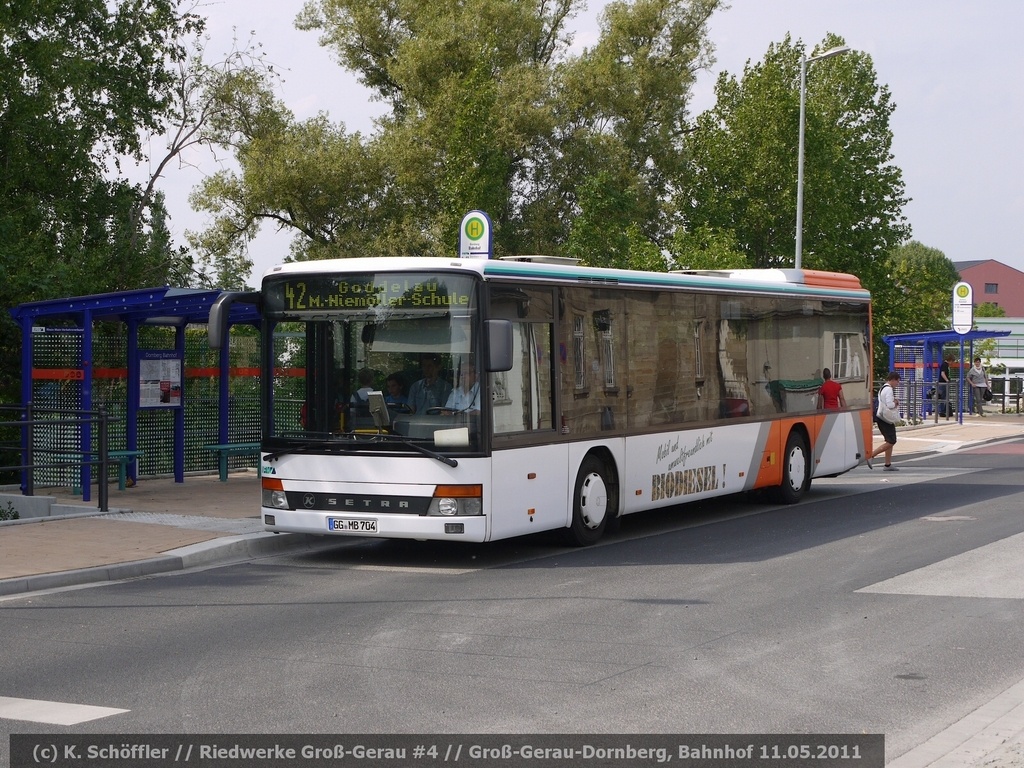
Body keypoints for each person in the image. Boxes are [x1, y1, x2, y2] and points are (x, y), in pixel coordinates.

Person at [867, 371, 901, 471]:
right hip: (885, 419)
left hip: (882, 417)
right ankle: (872, 455)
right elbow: (890, 405)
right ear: (893, 380)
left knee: (889, 440)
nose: (897, 384)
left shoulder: (883, 388)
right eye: (897, 382)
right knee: (891, 441)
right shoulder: (889, 390)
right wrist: (896, 402)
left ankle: (888, 464)